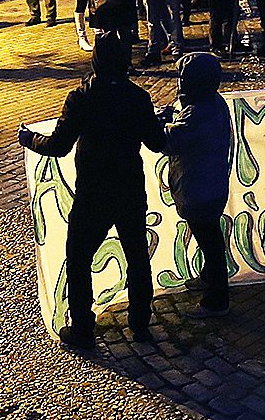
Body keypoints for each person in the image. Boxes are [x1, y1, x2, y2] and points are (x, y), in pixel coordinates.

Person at [18, 35, 165, 349]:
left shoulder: (82, 97)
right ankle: (140, 324)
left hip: (93, 192)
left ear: (95, 61)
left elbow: (58, 145)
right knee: (137, 257)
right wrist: (156, 122)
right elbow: (156, 143)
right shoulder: (137, 97)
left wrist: (29, 139)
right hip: (129, 188)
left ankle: (83, 328)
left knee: (79, 258)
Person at [156, 51, 233, 316]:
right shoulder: (213, 102)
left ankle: (217, 300)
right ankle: (209, 278)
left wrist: (159, 124)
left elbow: (169, 142)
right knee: (210, 238)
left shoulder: (197, 114)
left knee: (210, 242)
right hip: (212, 185)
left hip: (199, 189)